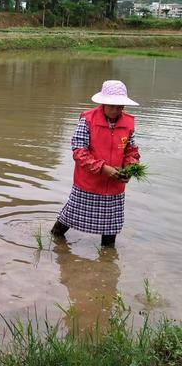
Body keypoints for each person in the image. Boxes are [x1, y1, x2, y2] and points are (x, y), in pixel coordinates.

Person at [51, 80, 140, 247]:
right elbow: (79, 151)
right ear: (103, 103)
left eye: (120, 106)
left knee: (110, 226)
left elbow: (131, 151)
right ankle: (55, 241)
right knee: (70, 216)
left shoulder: (128, 124)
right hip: (88, 183)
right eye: (112, 106)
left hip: (114, 186)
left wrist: (129, 168)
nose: (116, 110)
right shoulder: (88, 120)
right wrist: (103, 168)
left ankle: (107, 257)